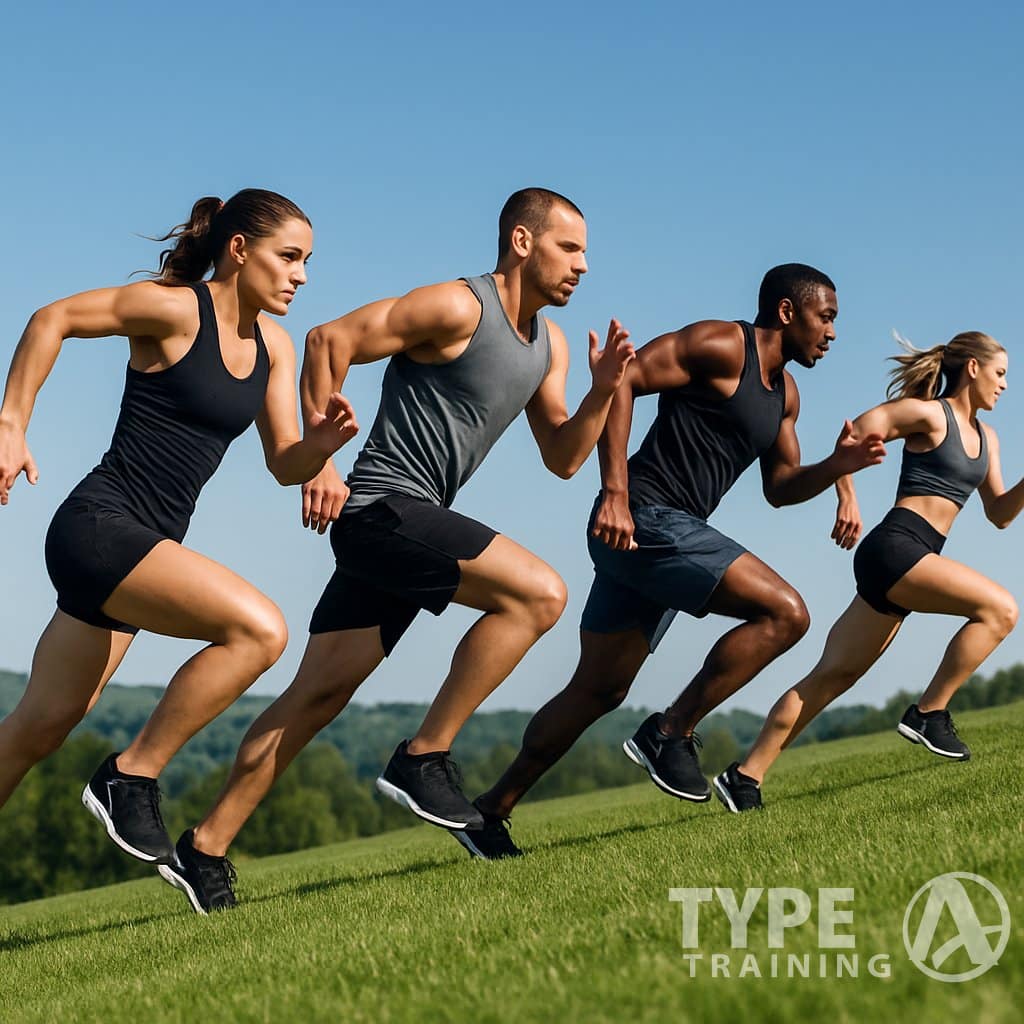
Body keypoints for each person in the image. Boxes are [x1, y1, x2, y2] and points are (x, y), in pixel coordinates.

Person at [158, 187, 635, 913]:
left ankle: (204, 849)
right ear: (521, 242)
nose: (583, 265)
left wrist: (602, 394)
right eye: (570, 248)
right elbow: (328, 341)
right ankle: (424, 757)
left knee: (314, 697)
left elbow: (564, 458)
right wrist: (318, 463)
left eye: (585, 253)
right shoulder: (458, 307)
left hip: (407, 523)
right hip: (382, 508)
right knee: (538, 593)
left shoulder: (550, 345)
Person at [458, 263, 886, 859]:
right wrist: (615, 493)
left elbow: (782, 485)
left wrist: (838, 467)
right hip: (644, 517)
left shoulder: (785, 395)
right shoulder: (719, 343)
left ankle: (488, 813)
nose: (833, 332)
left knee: (598, 690)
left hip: (658, 535)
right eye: (827, 317)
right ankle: (669, 732)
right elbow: (626, 379)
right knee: (786, 614)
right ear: (788, 312)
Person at [0, 189, 357, 866]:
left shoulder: (274, 348)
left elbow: (284, 461)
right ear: (239, 248)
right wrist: (12, 422)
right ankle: (130, 777)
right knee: (259, 631)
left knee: (37, 727)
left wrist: (322, 446)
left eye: (307, 261)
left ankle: (126, 776)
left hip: (138, 551)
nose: (301, 275)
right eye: (289, 257)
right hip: (101, 528)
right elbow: (53, 318)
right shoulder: (173, 309)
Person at [715, 331, 1021, 811]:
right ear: (974, 368)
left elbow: (1000, 513)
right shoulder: (927, 414)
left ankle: (744, 777)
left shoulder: (988, 439)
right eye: (1001, 373)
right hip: (896, 548)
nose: (1005, 385)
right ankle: (929, 713)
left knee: (832, 676)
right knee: (1000, 610)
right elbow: (854, 436)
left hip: (912, 558)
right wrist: (848, 497)